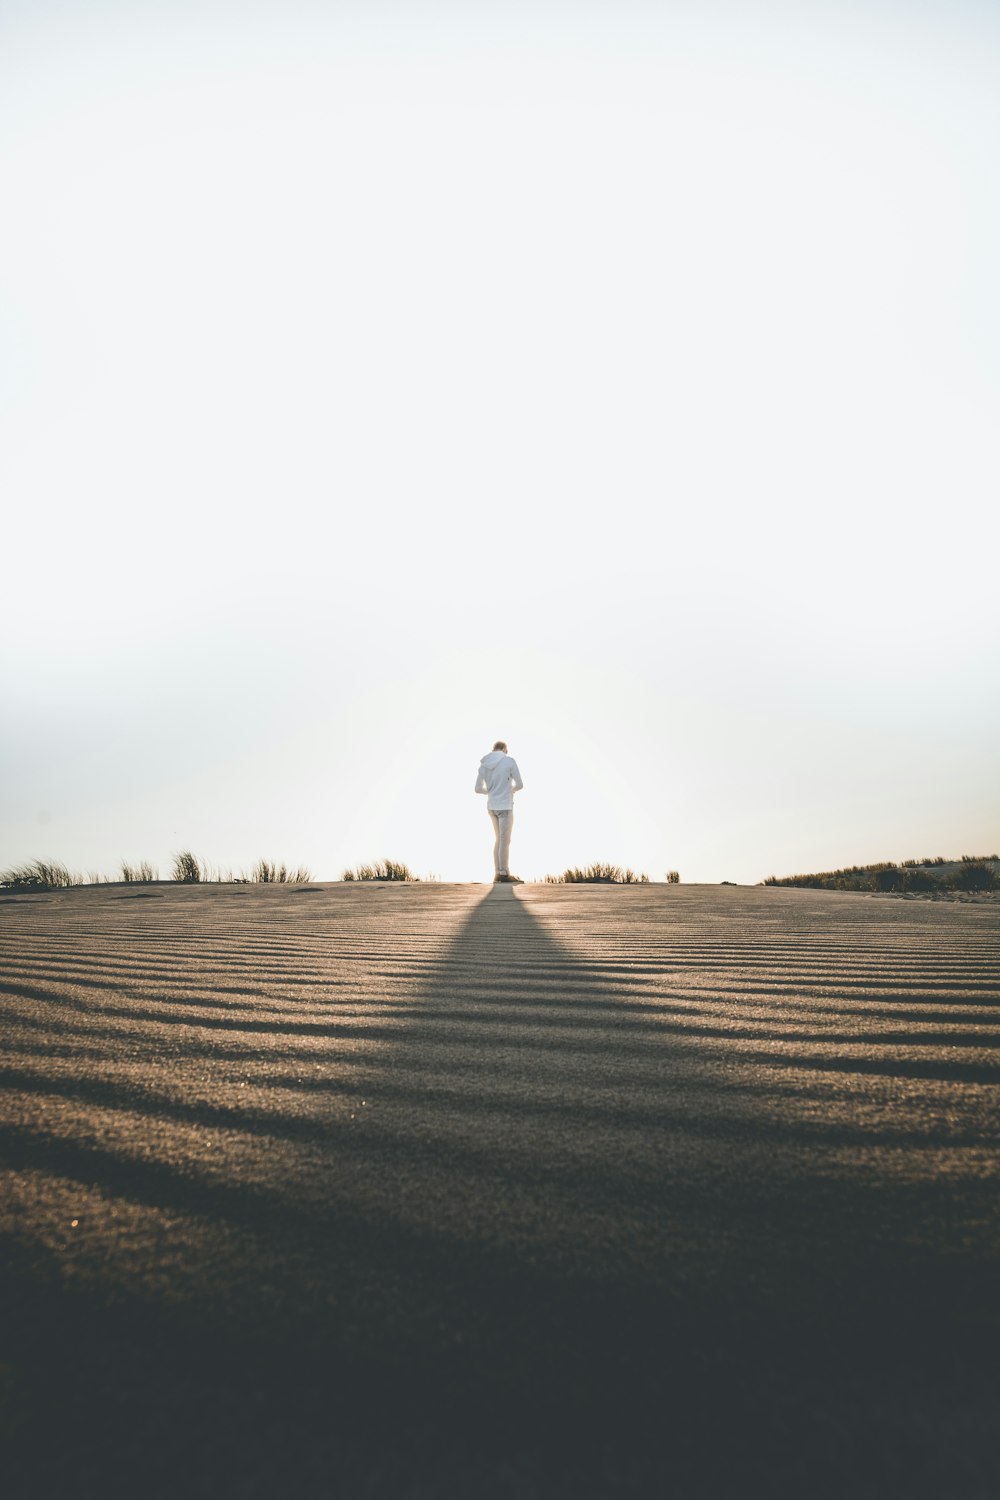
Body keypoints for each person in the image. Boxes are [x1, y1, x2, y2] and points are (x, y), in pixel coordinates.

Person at [475, 740, 523, 883]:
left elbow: (477, 789)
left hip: (492, 807)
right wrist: (510, 790)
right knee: (505, 840)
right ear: (504, 749)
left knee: (498, 840)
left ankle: (497, 873)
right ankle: (504, 874)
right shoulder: (509, 761)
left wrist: (490, 791)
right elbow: (520, 785)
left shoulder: (484, 764)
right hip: (505, 806)